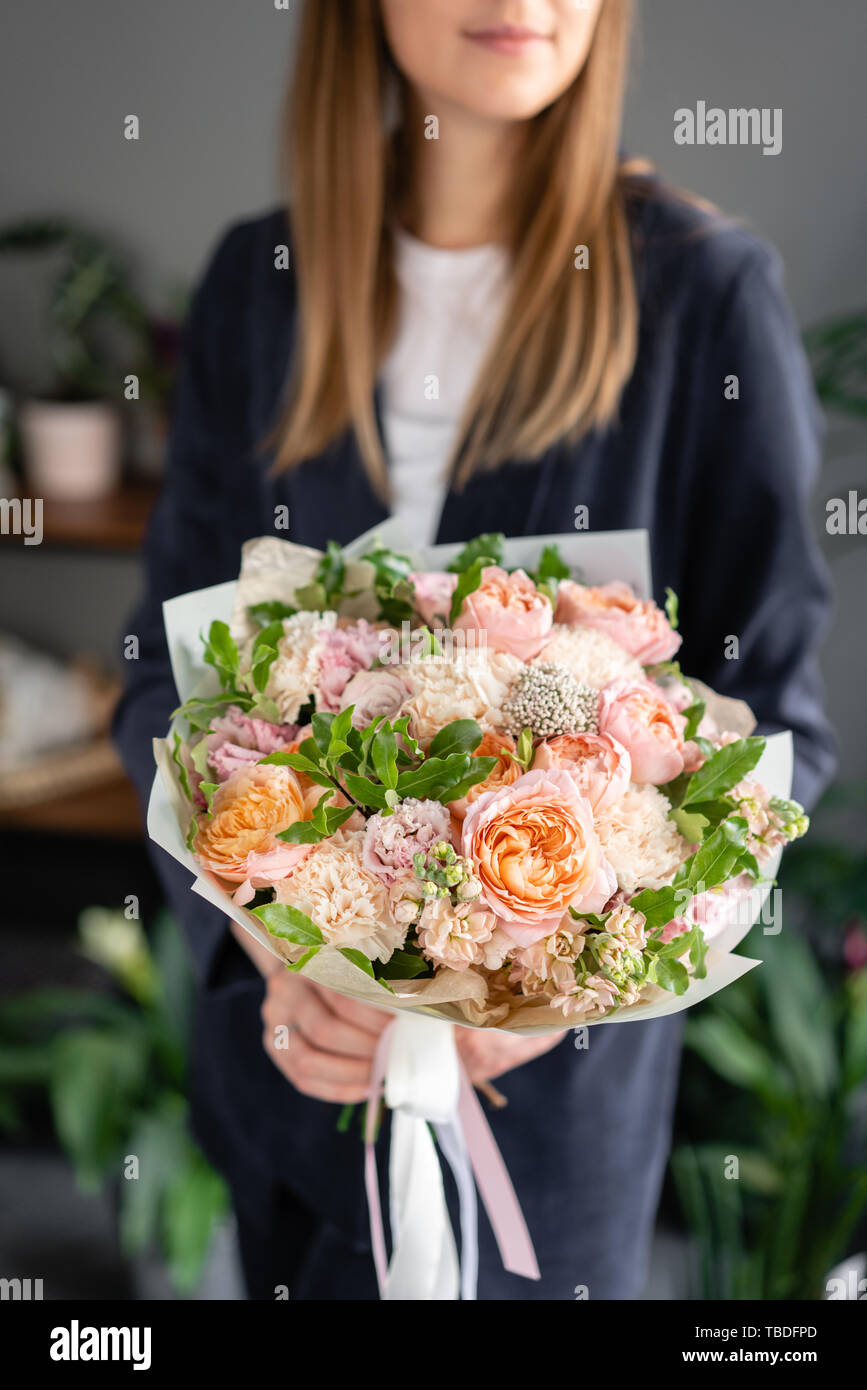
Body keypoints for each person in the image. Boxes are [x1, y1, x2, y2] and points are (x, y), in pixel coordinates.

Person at [114, 0, 836, 1300]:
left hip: (555, 1144)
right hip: (294, 1098)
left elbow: (777, 712)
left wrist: (569, 980)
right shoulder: (257, 287)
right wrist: (272, 954)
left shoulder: (703, 298)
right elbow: (165, 676)